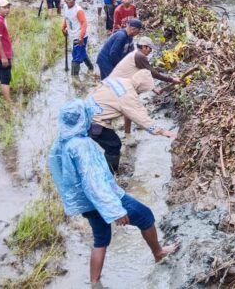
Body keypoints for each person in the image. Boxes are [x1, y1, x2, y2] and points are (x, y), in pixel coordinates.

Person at [49, 99, 177, 288]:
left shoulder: (62, 142)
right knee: (145, 216)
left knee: (100, 239)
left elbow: (62, 175)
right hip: (105, 198)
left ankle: (94, 282)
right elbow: (95, 182)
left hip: (87, 203)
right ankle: (158, 253)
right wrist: (115, 209)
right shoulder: (82, 146)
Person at [85, 70, 177, 173]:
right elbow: (141, 119)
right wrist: (163, 132)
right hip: (95, 121)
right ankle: (110, 175)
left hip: (85, 109)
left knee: (104, 142)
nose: (140, 93)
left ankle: (102, 166)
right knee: (114, 145)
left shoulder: (120, 80)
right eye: (142, 91)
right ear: (141, 87)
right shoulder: (128, 95)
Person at [62, 0, 95, 76]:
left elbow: (84, 23)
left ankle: (74, 78)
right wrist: (63, 27)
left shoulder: (78, 10)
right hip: (72, 35)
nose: (69, 0)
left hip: (80, 36)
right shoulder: (65, 7)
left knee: (76, 57)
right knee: (81, 53)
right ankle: (91, 68)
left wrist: (81, 36)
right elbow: (66, 18)